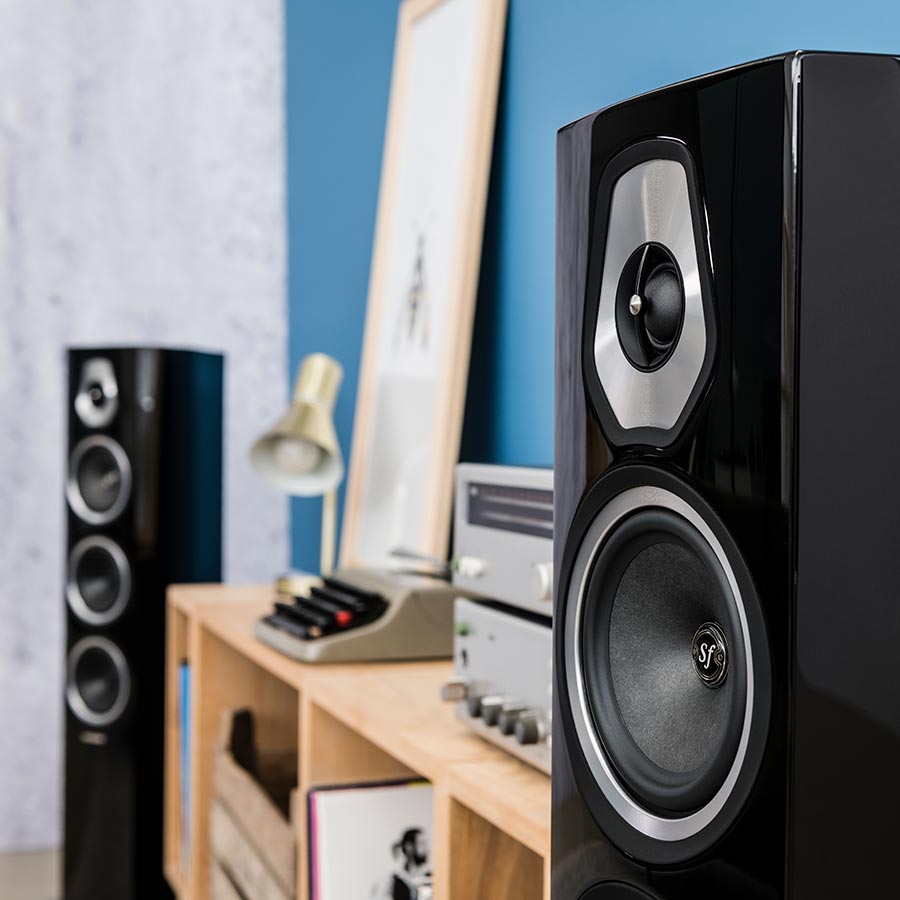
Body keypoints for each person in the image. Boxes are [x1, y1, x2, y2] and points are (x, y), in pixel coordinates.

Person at [370, 827, 432, 900]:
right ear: (409, 847)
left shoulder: (430, 877)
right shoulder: (392, 879)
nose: (426, 849)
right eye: (422, 844)